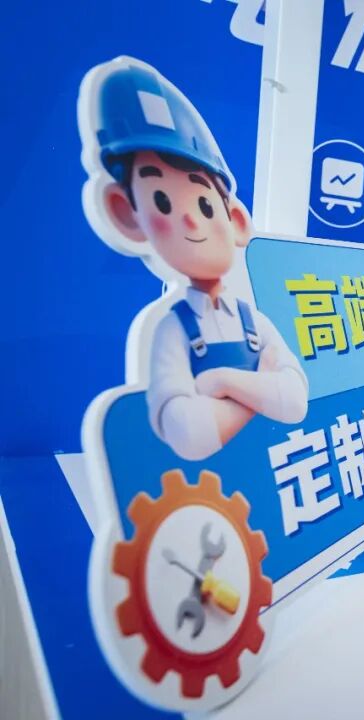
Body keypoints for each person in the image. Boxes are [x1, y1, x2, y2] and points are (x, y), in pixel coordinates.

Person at [82, 58, 308, 460]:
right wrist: (259, 394)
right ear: (125, 214)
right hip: (209, 493)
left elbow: (294, 402)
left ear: (236, 220)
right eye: (162, 201)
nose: (189, 219)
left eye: (205, 205)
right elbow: (187, 434)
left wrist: (221, 382)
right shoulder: (172, 329)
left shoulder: (254, 321)